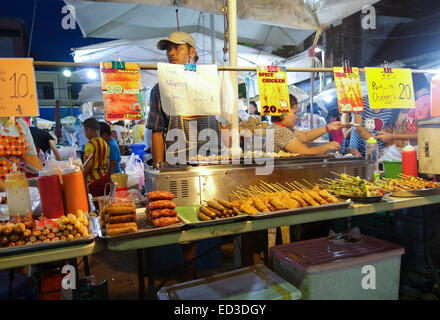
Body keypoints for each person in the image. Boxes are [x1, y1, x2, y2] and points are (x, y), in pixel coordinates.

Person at [147, 31, 224, 168]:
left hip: (212, 164)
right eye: (169, 49)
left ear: (192, 51)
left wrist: (226, 160)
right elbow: (157, 131)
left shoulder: (212, 84)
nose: (171, 52)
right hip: (178, 166)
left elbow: (225, 123)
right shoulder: (161, 89)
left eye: (177, 47)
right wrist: (158, 166)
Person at [269, 94, 342, 154]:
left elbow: (305, 136)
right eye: (294, 113)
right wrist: (327, 147)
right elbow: (306, 153)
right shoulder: (280, 131)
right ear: (282, 114)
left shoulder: (279, 127)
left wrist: (328, 127)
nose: (296, 117)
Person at [376, 73, 431, 147]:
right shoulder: (421, 101)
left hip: (422, 150)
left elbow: (422, 134)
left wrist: (392, 137)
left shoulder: (422, 102)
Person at [0, 117, 43, 191]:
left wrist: (47, 177)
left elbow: (31, 158)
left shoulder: (21, 124)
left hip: (13, 186)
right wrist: (7, 190)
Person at [83, 118, 110, 197]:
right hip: (105, 178)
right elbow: (108, 163)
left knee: (95, 205)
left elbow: (89, 165)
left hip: (93, 182)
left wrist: (83, 179)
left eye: (84, 131)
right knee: (104, 204)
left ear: (89, 130)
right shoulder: (105, 143)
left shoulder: (90, 145)